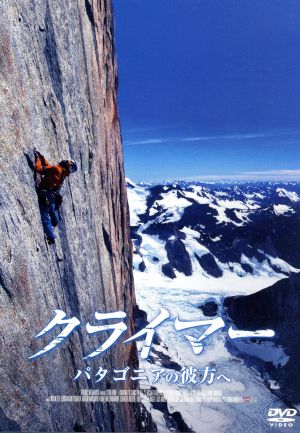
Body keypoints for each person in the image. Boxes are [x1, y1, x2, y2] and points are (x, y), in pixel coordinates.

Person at [34, 150, 77, 245]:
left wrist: (38, 158)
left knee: (49, 218)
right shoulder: (62, 173)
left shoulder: (59, 170)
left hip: (47, 194)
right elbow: (45, 168)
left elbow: (43, 169)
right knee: (49, 214)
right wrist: (40, 158)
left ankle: (51, 233)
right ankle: (53, 229)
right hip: (48, 194)